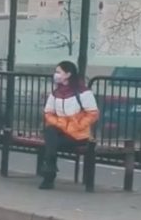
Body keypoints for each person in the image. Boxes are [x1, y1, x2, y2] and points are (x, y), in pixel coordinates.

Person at [40, 60, 99, 190]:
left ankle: (49, 175)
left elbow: (93, 114)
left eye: (58, 72)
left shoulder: (83, 92)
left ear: (68, 74)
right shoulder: (56, 93)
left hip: (78, 135)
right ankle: (50, 169)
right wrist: (61, 124)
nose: (55, 75)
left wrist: (76, 125)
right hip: (61, 132)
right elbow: (48, 113)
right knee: (50, 131)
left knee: (50, 142)